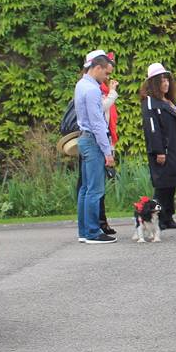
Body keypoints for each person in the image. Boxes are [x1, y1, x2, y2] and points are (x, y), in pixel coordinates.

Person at [139, 63, 176, 230]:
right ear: (154, 83)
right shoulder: (150, 102)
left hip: (175, 149)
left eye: (167, 80)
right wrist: (159, 151)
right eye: (161, 80)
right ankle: (157, 218)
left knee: (171, 184)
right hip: (163, 151)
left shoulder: (168, 101)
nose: (166, 83)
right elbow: (152, 128)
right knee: (162, 186)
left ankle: (168, 217)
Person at [74, 51, 117, 244]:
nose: (106, 78)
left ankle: (84, 230)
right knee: (95, 189)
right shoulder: (92, 90)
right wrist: (107, 152)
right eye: (106, 73)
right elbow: (98, 123)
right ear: (97, 68)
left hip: (83, 139)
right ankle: (92, 231)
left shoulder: (81, 84)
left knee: (85, 188)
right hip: (92, 140)